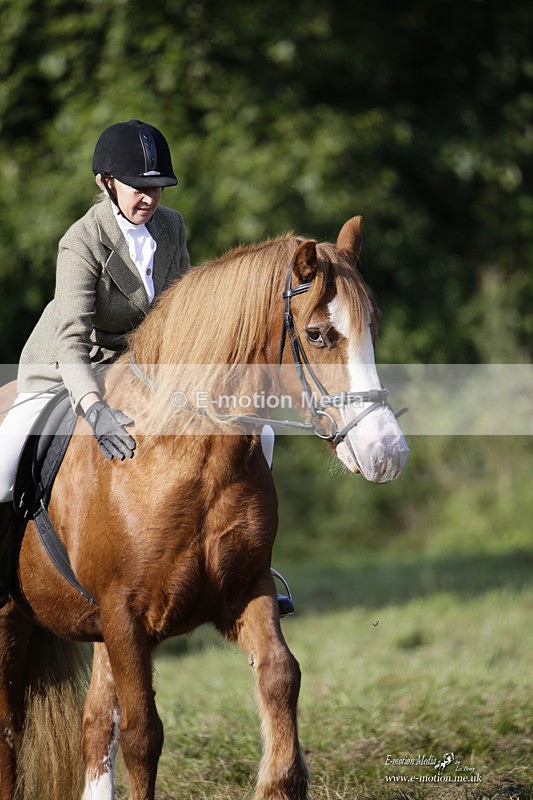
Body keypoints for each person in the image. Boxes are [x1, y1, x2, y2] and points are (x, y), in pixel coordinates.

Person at [0, 119, 191, 605]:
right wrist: (93, 405)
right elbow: (71, 338)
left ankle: (243, 571)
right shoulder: (82, 240)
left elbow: (181, 311)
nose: (149, 197)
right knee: (5, 462)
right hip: (64, 368)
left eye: (157, 187)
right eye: (138, 187)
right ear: (106, 182)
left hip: (138, 368)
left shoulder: (171, 228)